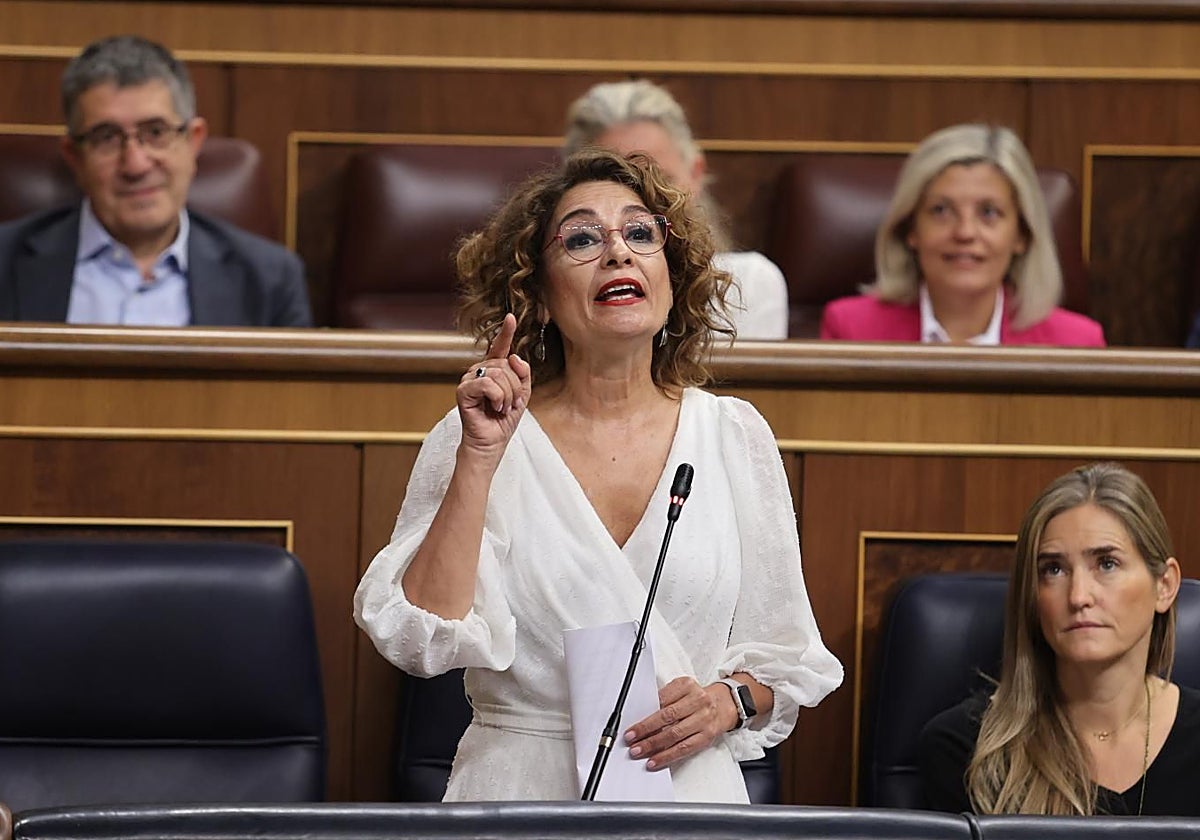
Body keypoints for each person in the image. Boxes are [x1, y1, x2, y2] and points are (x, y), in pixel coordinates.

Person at [354, 148, 842, 802]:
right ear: (538, 292)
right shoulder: (480, 432)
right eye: (582, 238)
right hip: (518, 797)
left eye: (641, 233)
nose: (618, 252)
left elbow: (784, 657)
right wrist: (479, 456)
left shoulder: (732, 435)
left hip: (685, 793)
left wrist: (727, 703)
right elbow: (422, 638)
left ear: (671, 277)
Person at [919, 462, 1199, 816]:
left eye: (1107, 563)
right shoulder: (966, 749)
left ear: (1165, 585)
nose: (1078, 596)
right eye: (1054, 569)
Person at [0, 35, 311, 327]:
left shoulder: (271, 281)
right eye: (107, 138)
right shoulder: (6, 263)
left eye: (156, 132)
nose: (135, 165)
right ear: (74, 157)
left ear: (193, 141)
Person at [820, 124, 1104, 347]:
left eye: (989, 213)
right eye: (941, 210)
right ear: (911, 230)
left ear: (1021, 236)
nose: (965, 232)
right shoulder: (851, 330)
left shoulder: (1075, 343)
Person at [563, 79, 789, 341]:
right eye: (618, 183)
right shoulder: (562, 293)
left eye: (660, 180)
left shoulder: (749, 282)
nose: (641, 205)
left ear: (696, 174)